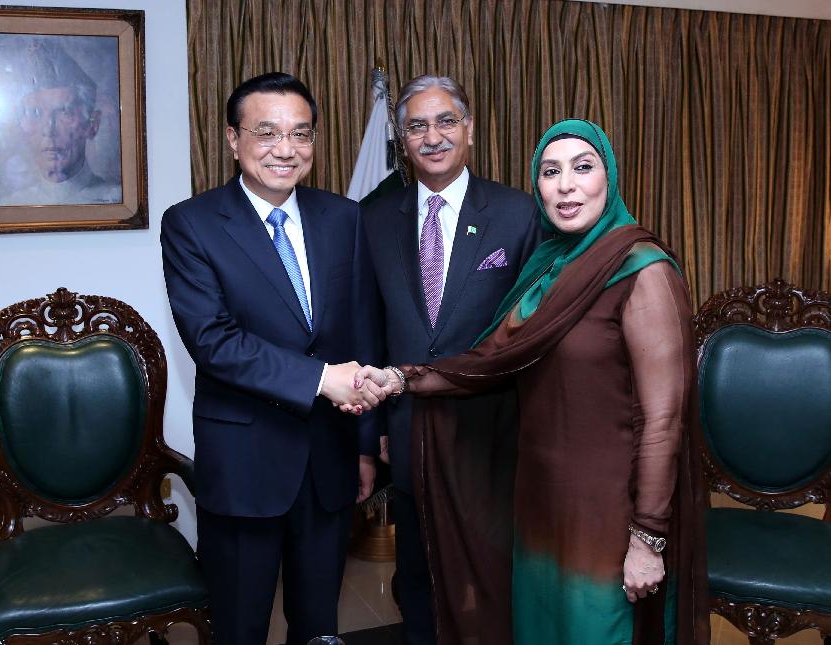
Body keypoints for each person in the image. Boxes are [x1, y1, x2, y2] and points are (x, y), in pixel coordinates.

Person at [355, 120, 710, 644]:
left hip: (607, 514)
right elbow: (490, 361)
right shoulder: (550, 265)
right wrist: (398, 379)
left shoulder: (643, 270)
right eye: (550, 171)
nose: (565, 184)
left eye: (582, 167)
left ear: (608, 177)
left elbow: (664, 422)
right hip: (538, 504)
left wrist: (647, 539)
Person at [161, 72, 385, 645]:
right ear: (233, 139)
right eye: (266, 132)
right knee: (240, 624)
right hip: (244, 463)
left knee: (319, 624)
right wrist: (320, 380)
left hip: (330, 461)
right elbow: (213, 340)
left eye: (301, 134)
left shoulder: (344, 217)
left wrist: (364, 448)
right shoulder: (192, 224)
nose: (286, 149)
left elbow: (360, 331)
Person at [360, 75, 542, 645]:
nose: (432, 137)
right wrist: (371, 435)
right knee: (417, 574)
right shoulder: (371, 215)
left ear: (469, 129)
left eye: (445, 122)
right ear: (402, 139)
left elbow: (534, 332)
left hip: (492, 432)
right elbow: (366, 335)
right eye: (416, 126)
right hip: (408, 430)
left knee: (493, 574)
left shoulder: (518, 214)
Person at [0, 39, 122, 206]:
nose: (49, 130)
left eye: (65, 113)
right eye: (36, 113)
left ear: (93, 124)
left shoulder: (118, 201)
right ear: (22, 124)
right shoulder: (7, 207)